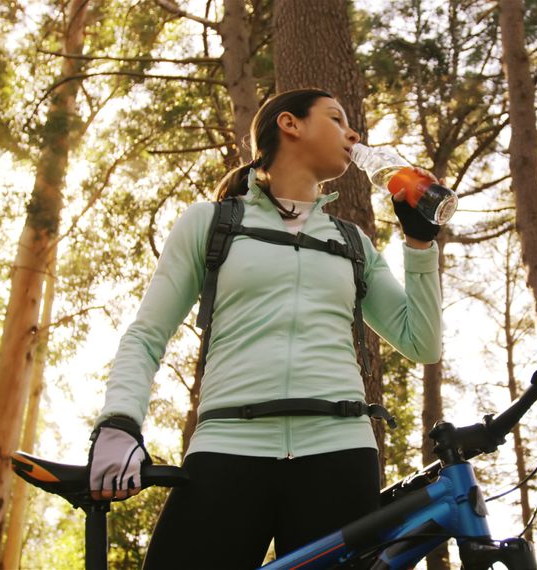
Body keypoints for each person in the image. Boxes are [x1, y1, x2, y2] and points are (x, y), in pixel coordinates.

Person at [85, 88, 443, 569]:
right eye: (337, 118)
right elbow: (147, 334)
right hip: (227, 448)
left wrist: (420, 246)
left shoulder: (351, 240)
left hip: (340, 456)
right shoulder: (210, 223)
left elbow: (422, 343)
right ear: (289, 124)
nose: (353, 133)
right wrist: (120, 423)